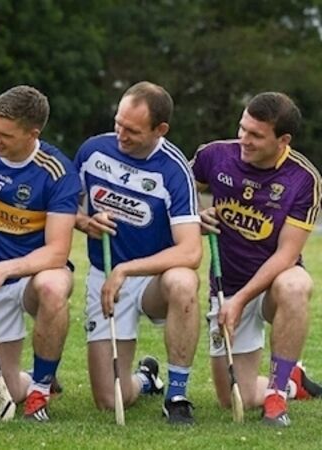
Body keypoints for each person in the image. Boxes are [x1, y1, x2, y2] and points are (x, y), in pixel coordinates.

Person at [73, 81, 201, 425]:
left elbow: (191, 251)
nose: (121, 135)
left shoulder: (174, 169)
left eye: (132, 130)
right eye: (118, 124)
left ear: (160, 130)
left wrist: (127, 270)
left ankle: (177, 395)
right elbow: (63, 206)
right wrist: (84, 221)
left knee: (184, 281)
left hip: (152, 281)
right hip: (105, 275)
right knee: (109, 400)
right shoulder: (93, 151)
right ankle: (147, 379)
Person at [192, 92, 322, 427]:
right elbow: (178, 189)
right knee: (233, 398)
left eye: (256, 135)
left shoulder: (303, 178)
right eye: (242, 128)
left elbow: (287, 254)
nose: (243, 140)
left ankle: (277, 395)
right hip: (227, 287)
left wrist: (241, 301)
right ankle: (293, 381)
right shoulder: (214, 155)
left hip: (271, 286)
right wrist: (195, 215)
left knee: (295, 285)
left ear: (283, 140)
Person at [0, 85, 79, 422]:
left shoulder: (57, 171)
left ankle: (40, 390)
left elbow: (57, 252)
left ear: (32, 134)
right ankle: (32, 379)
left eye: (6, 135)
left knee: (53, 286)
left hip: (33, 275)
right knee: (0, 397)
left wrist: (3, 270)